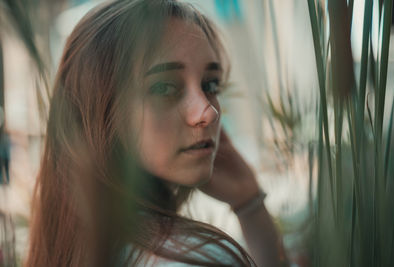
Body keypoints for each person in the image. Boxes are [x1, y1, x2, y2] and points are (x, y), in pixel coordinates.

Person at [25, 0, 281, 266]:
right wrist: (252, 208)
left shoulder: (69, 246)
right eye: (163, 88)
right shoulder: (198, 259)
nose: (208, 112)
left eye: (210, 84)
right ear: (99, 110)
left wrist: (248, 203)